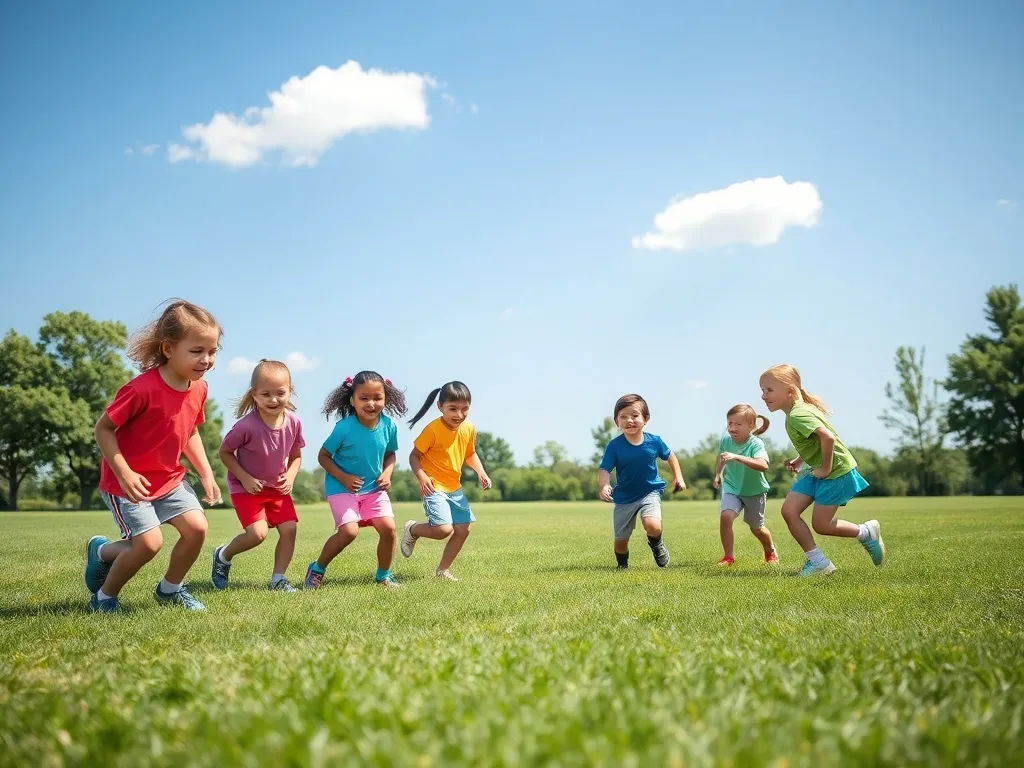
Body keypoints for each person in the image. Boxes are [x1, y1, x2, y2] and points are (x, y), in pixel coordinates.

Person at [84, 300, 222, 612]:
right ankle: (104, 597)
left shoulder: (199, 389)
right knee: (148, 544)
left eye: (212, 351)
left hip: (169, 478)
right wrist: (124, 472)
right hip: (128, 483)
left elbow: (190, 432)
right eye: (197, 350)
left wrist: (206, 472)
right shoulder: (141, 389)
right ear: (169, 349)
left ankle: (170, 590)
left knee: (197, 528)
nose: (207, 359)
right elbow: (103, 429)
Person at [759, 364, 887, 576]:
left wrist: (826, 467)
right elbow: (816, 441)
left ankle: (866, 533)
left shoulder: (799, 414)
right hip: (819, 469)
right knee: (789, 511)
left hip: (835, 471)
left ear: (790, 390)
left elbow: (827, 438)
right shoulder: (796, 412)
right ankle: (819, 563)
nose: (763, 396)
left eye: (769, 390)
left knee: (821, 524)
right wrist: (801, 460)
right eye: (762, 390)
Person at [305, 371, 408, 589]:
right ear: (353, 400)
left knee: (389, 529)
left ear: (385, 398)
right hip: (341, 488)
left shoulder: (389, 426)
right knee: (348, 532)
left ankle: (383, 576)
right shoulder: (344, 428)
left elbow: (391, 454)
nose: (371, 403)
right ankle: (317, 568)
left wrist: (387, 473)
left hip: (373, 489)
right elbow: (323, 456)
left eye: (377, 398)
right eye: (364, 398)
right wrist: (344, 477)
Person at [211, 359, 304, 593]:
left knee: (290, 529)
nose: (274, 400)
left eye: (280, 393)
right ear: (254, 395)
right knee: (257, 534)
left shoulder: (294, 423)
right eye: (266, 394)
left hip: (277, 488)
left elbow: (296, 456)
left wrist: (291, 476)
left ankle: (278, 579)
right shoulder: (246, 426)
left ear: (290, 391)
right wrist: (244, 477)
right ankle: (223, 555)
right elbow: (225, 452)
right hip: (246, 488)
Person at [399, 381, 491, 582]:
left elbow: (470, 454)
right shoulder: (432, 429)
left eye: (465, 409)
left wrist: (481, 473)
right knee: (443, 530)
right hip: (433, 486)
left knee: (462, 530)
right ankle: (412, 529)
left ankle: (442, 571)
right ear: (440, 407)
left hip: (454, 488)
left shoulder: (468, 428)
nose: (459, 414)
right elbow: (414, 456)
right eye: (453, 409)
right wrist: (422, 477)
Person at [597, 393, 686, 569]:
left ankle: (656, 544)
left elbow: (671, 456)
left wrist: (678, 476)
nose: (629, 420)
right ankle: (622, 566)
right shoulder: (615, 446)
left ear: (646, 419)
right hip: (624, 497)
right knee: (621, 541)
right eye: (623, 417)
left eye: (634, 415)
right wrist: (605, 485)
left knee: (653, 525)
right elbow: (605, 468)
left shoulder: (654, 441)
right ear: (617, 422)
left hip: (650, 491)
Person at [713, 404, 778, 565]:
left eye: (738, 424)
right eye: (729, 423)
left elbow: (763, 465)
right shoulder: (726, 441)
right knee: (726, 517)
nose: (732, 428)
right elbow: (722, 458)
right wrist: (718, 474)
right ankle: (728, 557)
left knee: (757, 528)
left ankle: (770, 551)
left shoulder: (755, 444)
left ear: (751, 426)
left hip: (754, 491)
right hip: (732, 487)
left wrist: (737, 457)